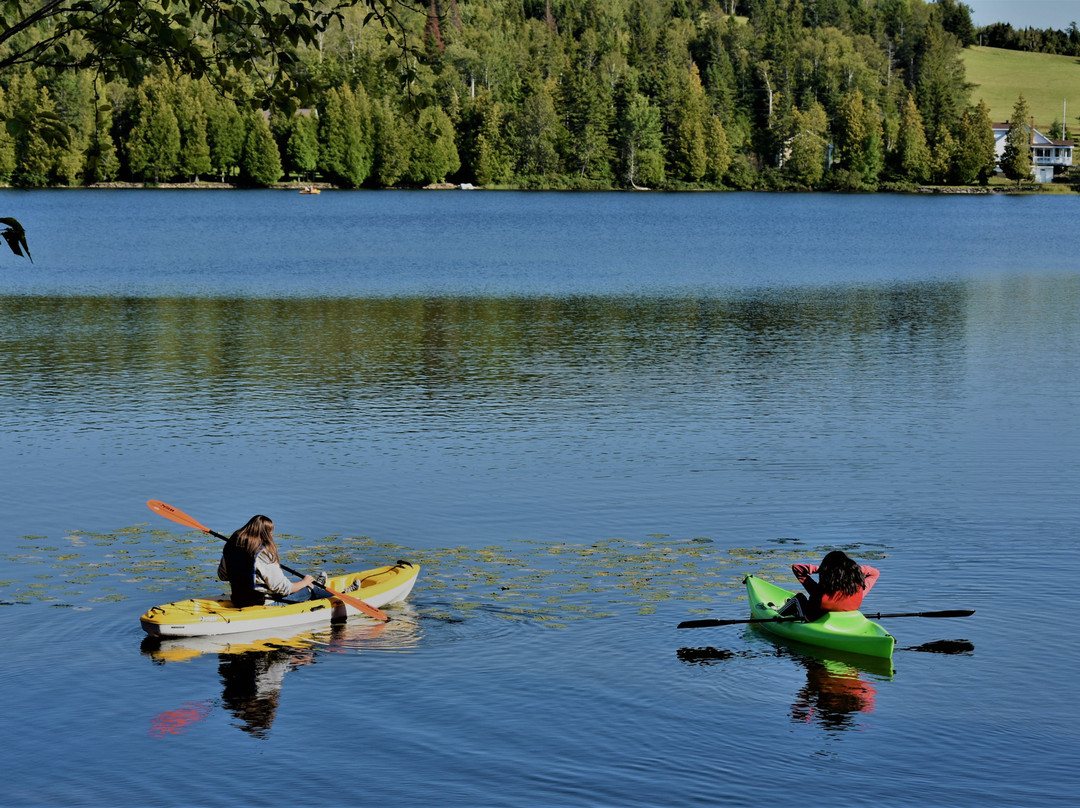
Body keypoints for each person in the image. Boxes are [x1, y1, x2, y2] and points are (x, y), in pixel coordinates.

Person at [217, 515, 315, 607]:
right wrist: (305, 582)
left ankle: (316, 584)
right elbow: (284, 588)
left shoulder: (230, 549)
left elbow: (223, 576)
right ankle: (317, 588)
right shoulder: (263, 554)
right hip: (264, 603)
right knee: (311, 589)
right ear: (266, 535)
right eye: (271, 533)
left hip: (238, 600)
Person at [779, 550, 880, 622]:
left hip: (813, 621)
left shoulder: (820, 592)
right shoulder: (858, 590)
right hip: (843, 622)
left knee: (799, 598)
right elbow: (875, 573)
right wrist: (852, 570)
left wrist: (822, 569)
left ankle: (777, 613)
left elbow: (797, 568)